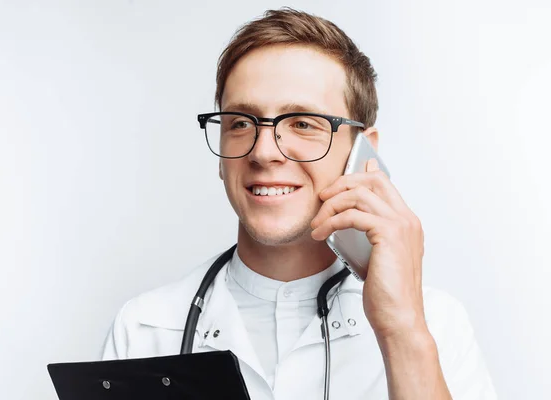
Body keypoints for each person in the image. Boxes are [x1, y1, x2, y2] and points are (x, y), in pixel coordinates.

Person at [102, 8, 496, 399]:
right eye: (241, 123)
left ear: (364, 154)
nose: (263, 151)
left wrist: (401, 331)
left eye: (303, 123)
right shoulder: (144, 330)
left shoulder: (434, 325)